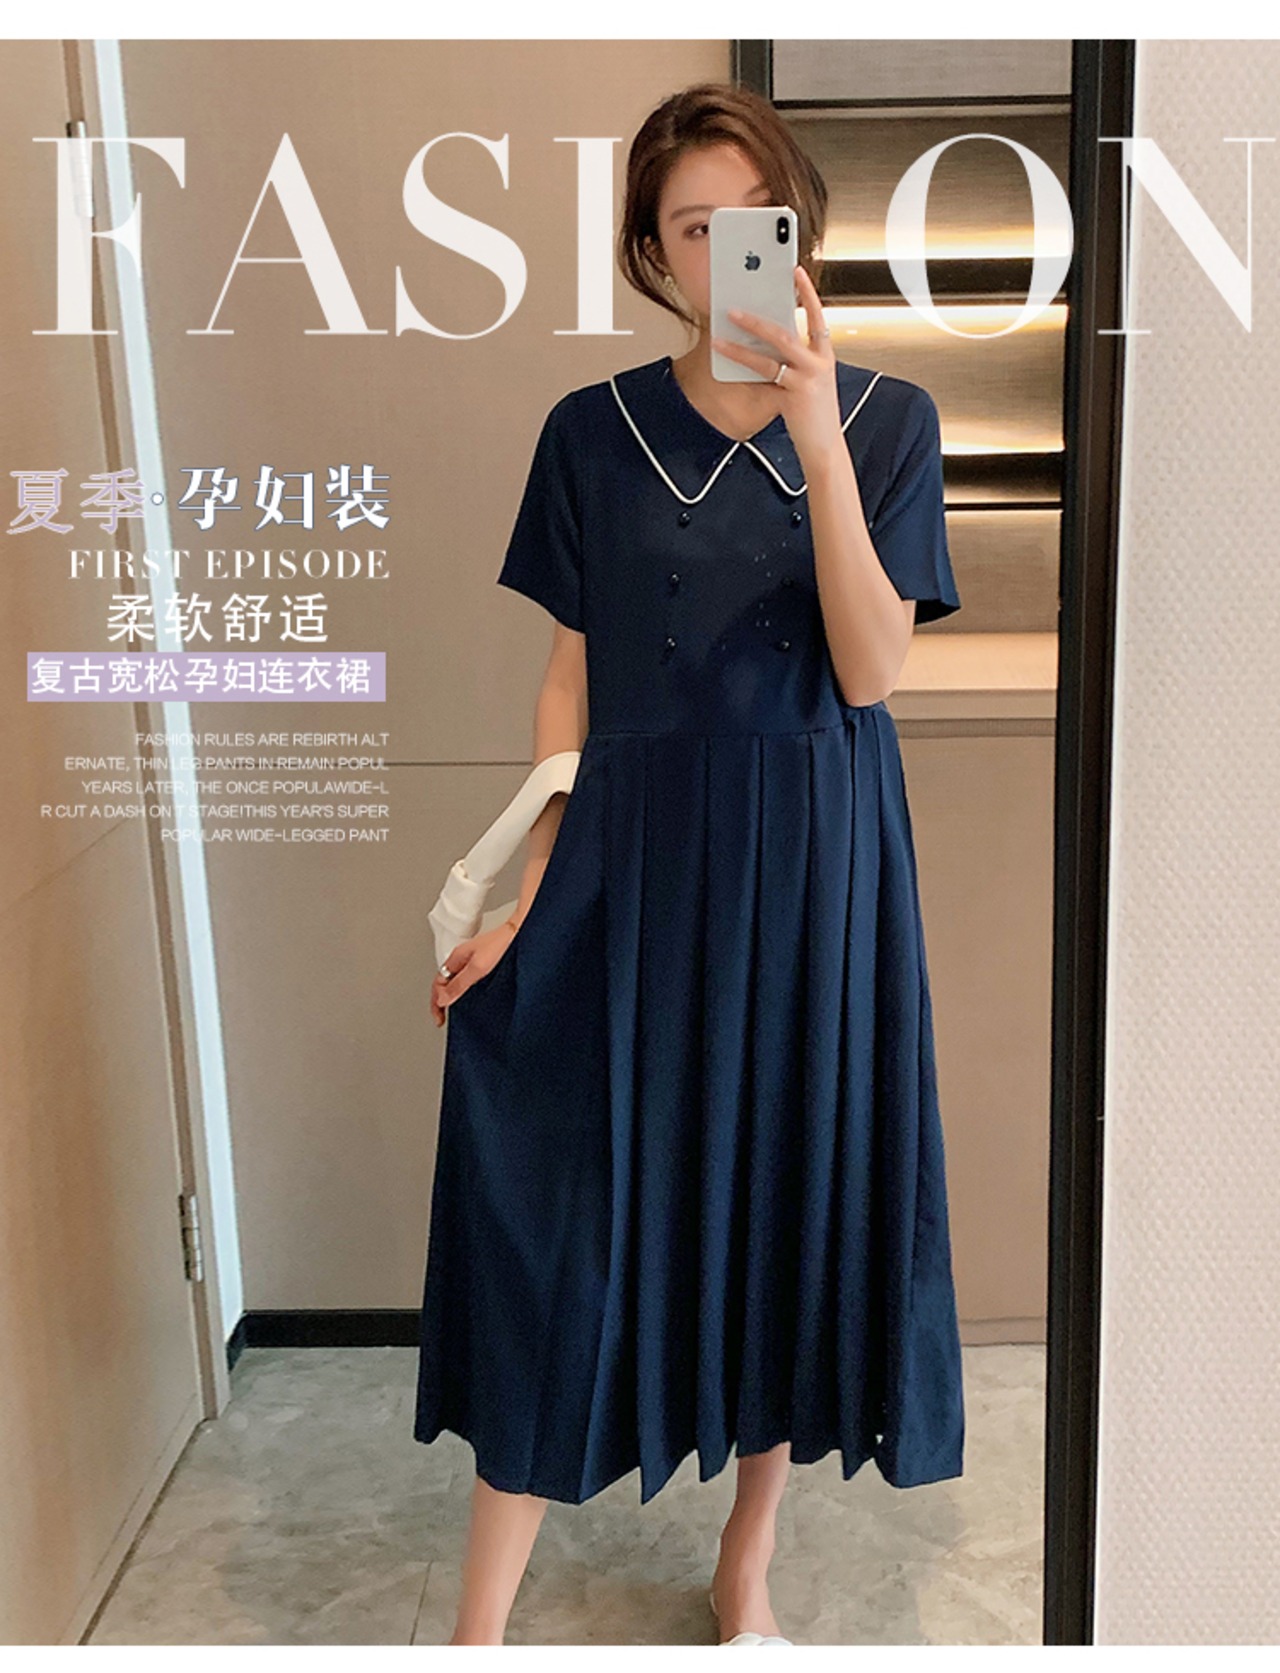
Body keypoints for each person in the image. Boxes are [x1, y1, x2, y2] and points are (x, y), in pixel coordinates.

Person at [414, 81, 965, 1647]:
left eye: (752, 220)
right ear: (655, 256)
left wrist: (817, 432)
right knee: (563, 1214)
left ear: (800, 222)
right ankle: (476, 1631)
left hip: (818, 871)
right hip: (634, 861)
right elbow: (571, 679)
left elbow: (870, 669)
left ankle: (747, 1563)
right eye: (691, 229)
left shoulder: (891, 422)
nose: (726, 253)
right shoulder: (590, 433)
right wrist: (531, 887)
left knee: (787, 1190)